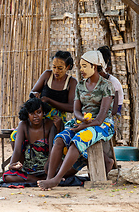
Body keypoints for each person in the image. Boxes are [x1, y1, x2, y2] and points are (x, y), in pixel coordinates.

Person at [37, 50, 115, 190]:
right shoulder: (80, 86)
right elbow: (76, 110)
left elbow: (100, 118)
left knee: (77, 140)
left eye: (85, 66)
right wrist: (81, 120)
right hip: (83, 122)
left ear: (95, 66)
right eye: (80, 66)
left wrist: (84, 126)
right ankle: (49, 178)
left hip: (102, 125)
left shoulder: (106, 86)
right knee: (60, 139)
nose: (82, 69)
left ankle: (56, 179)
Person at [10, 51, 77, 147]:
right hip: (39, 117)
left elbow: (71, 108)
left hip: (56, 120)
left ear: (68, 67)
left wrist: (49, 100)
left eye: (60, 68)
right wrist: (35, 94)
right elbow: (32, 92)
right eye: (54, 67)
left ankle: (49, 160)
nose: (56, 71)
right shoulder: (47, 75)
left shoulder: (71, 82)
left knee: (56, 138)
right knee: (15, 135)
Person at [3, 97, 57, 183]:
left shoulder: (49, 124)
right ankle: (39, 181)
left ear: (43, 112)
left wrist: (48, 165)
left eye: (39, 112)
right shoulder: (23, 125)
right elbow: (17, 150)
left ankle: (43, 179)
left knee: (63, 171)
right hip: (29, 168)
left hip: (46, 167)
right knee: (7, 177)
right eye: (32, 113)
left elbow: (52, 150)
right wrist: (12, 164)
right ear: (27, 114)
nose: (36, 116)